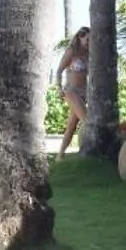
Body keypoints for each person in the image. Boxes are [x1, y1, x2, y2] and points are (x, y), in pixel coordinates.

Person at [54, 27, 90, 156]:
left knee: (71, 126)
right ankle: (90, 151)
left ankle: (60, 155)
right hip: (71, 91)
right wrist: (59, 88)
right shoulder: (71, 52)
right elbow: (59, 71)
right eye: (87, 39)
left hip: (84, 93)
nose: (88, 42)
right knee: (87, 121)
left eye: (91, 40)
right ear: (80, 38)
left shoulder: (89, 54)